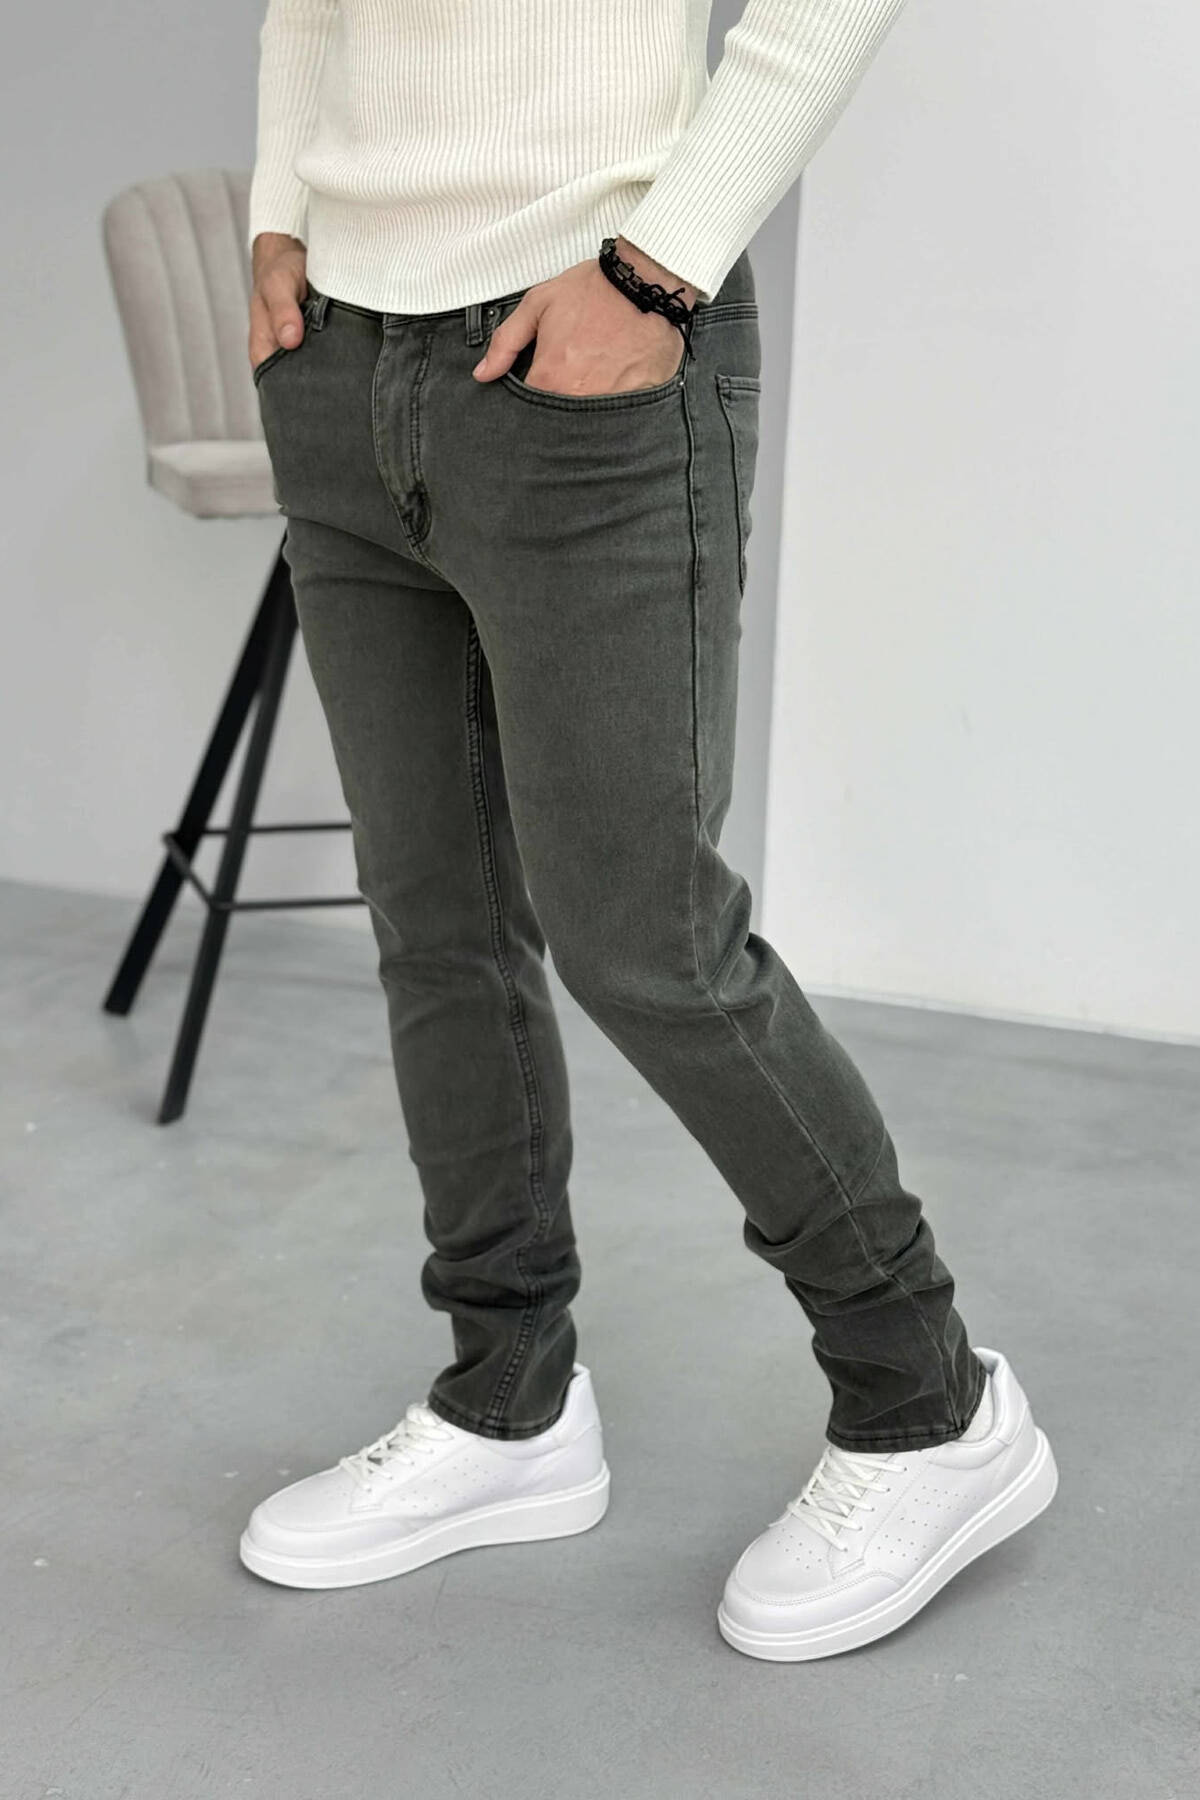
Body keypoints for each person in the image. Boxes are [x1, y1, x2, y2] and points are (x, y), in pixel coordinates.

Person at [237, 0, 1058, 1658]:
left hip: (590, 348)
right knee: (436, 922)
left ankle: (929, 1402)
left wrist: (660, 267)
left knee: (646, 939)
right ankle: (507, 1400)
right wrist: (277, 209)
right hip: (338, 350)